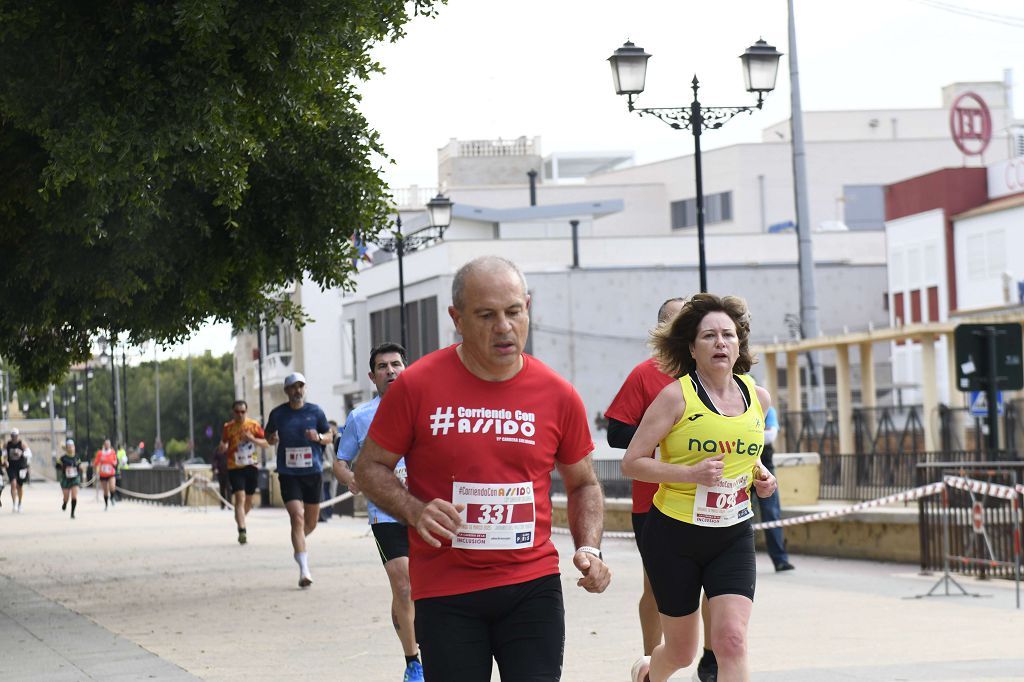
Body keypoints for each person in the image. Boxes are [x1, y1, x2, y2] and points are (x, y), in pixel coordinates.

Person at [355, 256, 611, 681]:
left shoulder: (558, 394)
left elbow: (584, 483)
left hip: (532, 584)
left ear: (528, 307)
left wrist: (589, 547)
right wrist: (415, 510)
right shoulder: (418, 386)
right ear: (456, 318)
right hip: (446, 589)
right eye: (486, 315)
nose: (504, 326)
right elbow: (369, 468)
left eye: (514, 312)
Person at [621, 293, 778, 682]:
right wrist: (690, 474)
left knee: (732, 640)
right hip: (675, 535)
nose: (720, 342)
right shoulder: (675, 396)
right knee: (681, 651)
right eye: (709, 336)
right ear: (692, 347)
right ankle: (648, 674)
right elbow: (632, 463)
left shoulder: (757, 397)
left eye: (728, 334)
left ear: (739, 344)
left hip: (732, 533)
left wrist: (761, 475)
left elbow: (743, 450)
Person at [607, 296, 720, 681]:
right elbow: (617, 432)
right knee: (656, 589)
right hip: (654, 501)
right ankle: (650, 660)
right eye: (678, 324)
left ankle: (710, 657)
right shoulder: (645, 374)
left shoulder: (722, 375)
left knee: (716, 587)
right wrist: (667, 436)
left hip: (714, 501)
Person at [334, 342, 423, 682]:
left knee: (420, 588)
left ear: (406, 368)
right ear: (373, 377)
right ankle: (413, 661)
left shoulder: (425, 408)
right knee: (403, 586)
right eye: (383, 367)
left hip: (424, 510)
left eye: (396, 364)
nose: (391, 371)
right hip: (385, 513)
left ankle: (424, 641)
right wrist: (353, 479)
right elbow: (340, 462)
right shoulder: (360, 417)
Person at [265, 372, 330, 587]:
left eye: (300, 386)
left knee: (310, 523)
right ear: (286, 391)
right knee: (297, 517)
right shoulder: (278, 414)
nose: (297, 390)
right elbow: (268, 436)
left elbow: (329, 436)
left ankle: (298, 544)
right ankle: (304, 570)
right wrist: (272, 438)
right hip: (288, 472)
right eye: (293, 387)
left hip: (312, 472)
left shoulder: (316, 412)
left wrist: (319, 438)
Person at [218, 400, 269, 544]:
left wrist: (252, 438)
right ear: (232, 412)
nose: (240, 415)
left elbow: (266, 443)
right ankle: (242, 529)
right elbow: (223, 443)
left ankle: (240, 518)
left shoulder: (253, 425)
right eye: (237, 412)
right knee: (239, 498)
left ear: (246, 412)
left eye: (242, 412)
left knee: (248, 501)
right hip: (235, 466)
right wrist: (223, 447)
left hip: (251, 465)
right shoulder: (228, 427)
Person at [756, 406, 794, 572]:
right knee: (738, 514)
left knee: (771, 512)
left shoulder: (766, 407)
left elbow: (770, 436)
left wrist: (745, 433)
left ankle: (780, 559)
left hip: (765, 467)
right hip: (740, 467)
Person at [4, 428, 29, 512]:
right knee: (13, 484)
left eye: (15, 435)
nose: (14, 437)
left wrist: (23, 453)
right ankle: (14, 503)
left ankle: (20, 503)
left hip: (21, 467)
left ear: (18, 436)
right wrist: (5, 461)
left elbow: (29, 453)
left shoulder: (22, 444)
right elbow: (4, 454)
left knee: (19, 486)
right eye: (12, 435)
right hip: (11, 467)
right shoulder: (8, 444)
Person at [318, 421, 339, 523]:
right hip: (326, 473)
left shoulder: (329, 444)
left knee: (328, 494)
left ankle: (326, 514)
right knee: (326, 494)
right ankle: (325, 514)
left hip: (328, 473)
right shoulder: (326, 444)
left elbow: (332, 459)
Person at [59, 438, 82, 519]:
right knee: (66, 497)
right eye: (69, 446)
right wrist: (63, 466)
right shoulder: (63, 458)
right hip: (66, 478)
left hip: (75, 478)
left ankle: (72, 513)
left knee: (74, 496)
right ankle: (65, 503)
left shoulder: (77, 457)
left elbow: (79, 467)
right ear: (66, 447)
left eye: (72, 446)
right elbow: (57, 466)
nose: (71, 447)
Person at [93, 439, 119, 510]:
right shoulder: (100, 453)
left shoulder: (112, 452)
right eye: (106, 444)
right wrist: (99, 462)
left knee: (112, 486)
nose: (107, 445)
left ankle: (112, 498)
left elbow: (115, 461)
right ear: (104, 445)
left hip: (111, 473)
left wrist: (114, 463)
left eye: (108, 444)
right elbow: (95, 463)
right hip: (103, 474)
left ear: (110, 445)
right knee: (105, 490)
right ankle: (106, 504)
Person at [211, 446, 230, 510]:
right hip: (220, 472)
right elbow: (214, 460)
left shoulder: (230, 448)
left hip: (228, 472)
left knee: (229, 488)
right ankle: (223, 505)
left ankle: (229, 504)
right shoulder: (218, 450)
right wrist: (215, 468)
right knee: (222, 488)